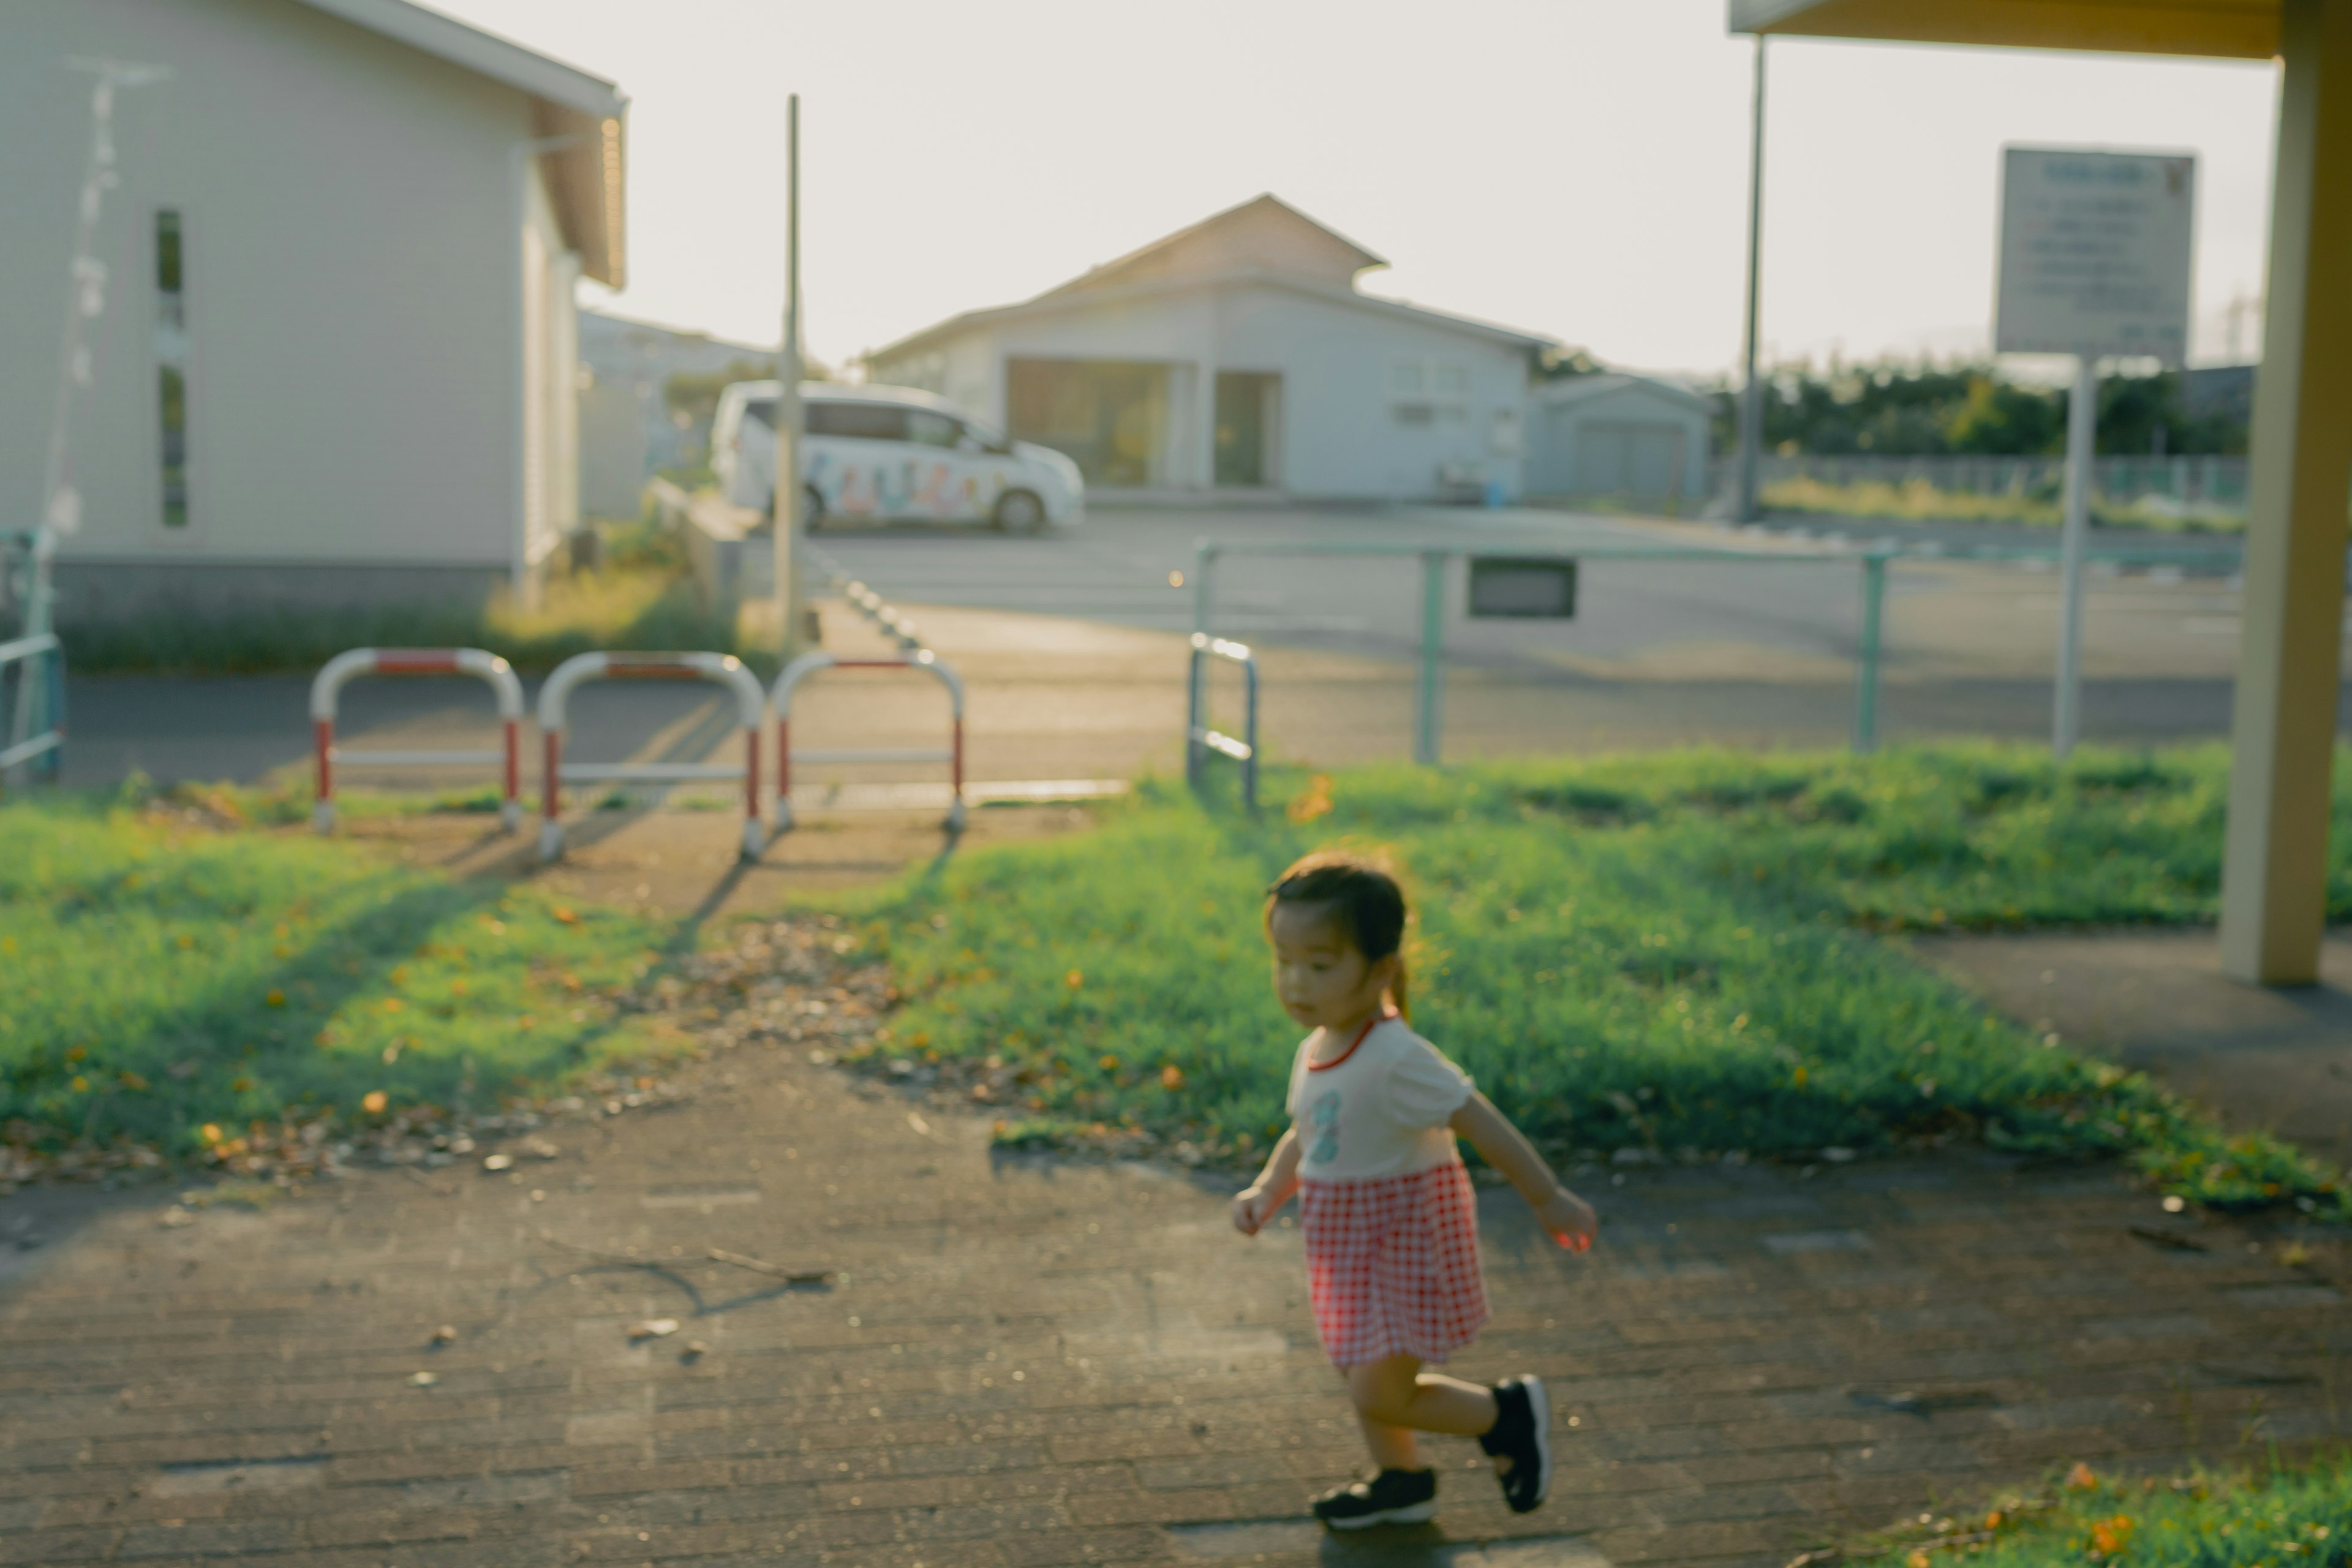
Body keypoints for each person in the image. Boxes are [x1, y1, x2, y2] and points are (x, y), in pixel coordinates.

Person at [1231, 851, 1598, 1529]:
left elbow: (1479, 1117)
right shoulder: (1319, 1044)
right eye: (1283, 960)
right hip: (1346, 1245)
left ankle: (1505, 1417)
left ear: (1379, 969)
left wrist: (1547, 1196)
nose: (1295, 981)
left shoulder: (1396, 1057)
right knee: (1362, 1374)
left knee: (1380, 1390)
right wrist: (1267, 1189)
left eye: (1319, 963)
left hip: (1400, 1241)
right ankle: (1402, 1481)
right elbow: (1310, 1132)